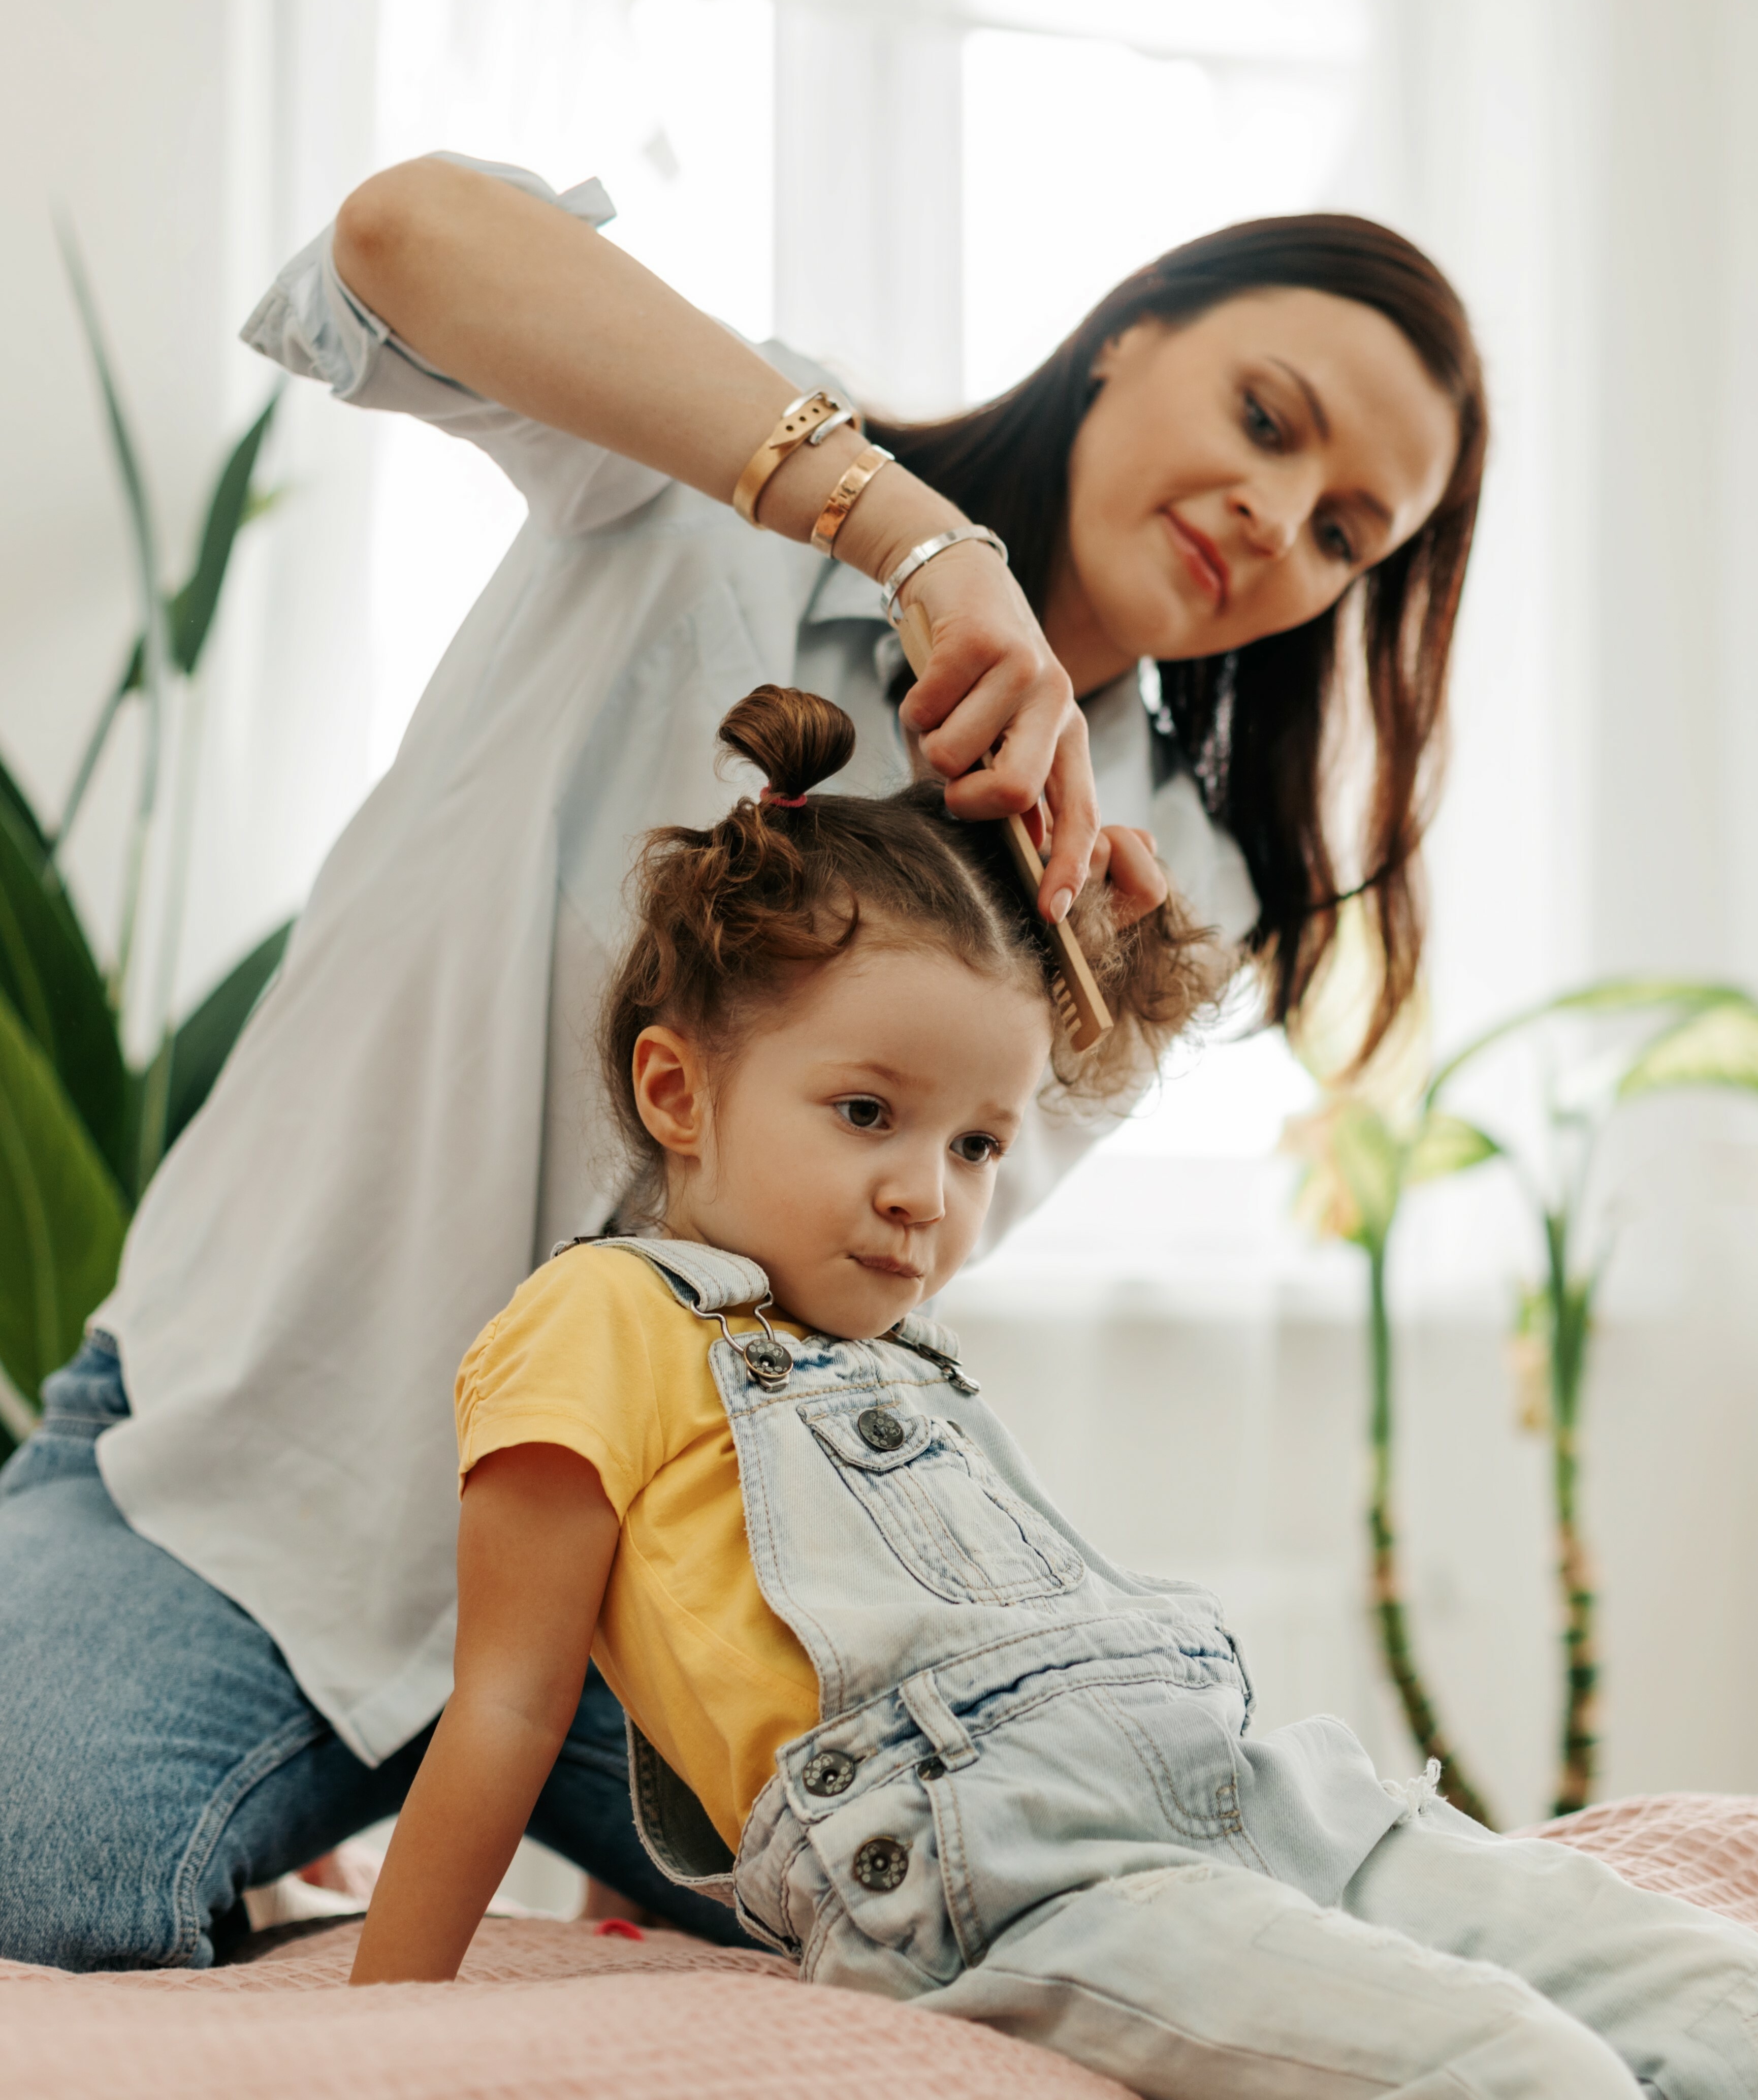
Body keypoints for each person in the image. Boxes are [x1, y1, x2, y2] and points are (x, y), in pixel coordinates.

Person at [0, 151, 1480, 1970]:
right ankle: (278, 1866)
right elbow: (399, 239)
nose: (1275, 518)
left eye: (1343, 532)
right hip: (248, 1481)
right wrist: (915, 540)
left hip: (680, 1604)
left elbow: (850, 1292)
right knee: (34, 1884)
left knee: (1087, 1943)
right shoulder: (727, 480)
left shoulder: (1160, 876)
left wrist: (1065, 1003)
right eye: (1267, 421)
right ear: (1126, 338)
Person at [347, 684, 1758, 2100]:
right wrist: (375, 2034)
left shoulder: (893, 1365)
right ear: (678, 1091)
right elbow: (508, 1701)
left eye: (974, 1146)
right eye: (867, 1112)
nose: (924, 1196)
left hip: (1250, 1784)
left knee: (1754, 2019)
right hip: (1003, 1861)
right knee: (1516, 2073)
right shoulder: (598, 1317)